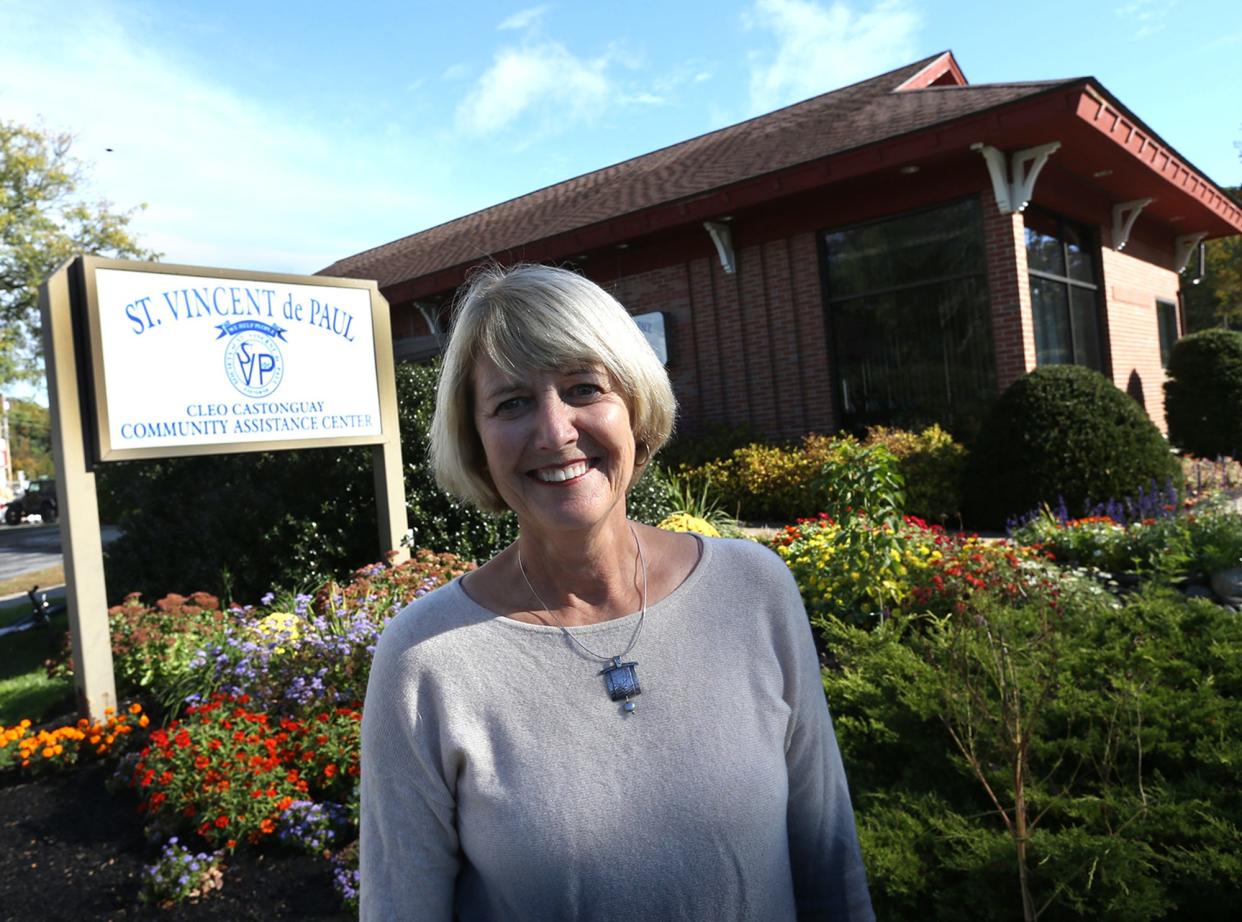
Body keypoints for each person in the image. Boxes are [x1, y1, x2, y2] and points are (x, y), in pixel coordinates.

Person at [360, 264, 874, 921]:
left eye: (582, 388)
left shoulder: (753, 589)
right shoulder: (427, 658)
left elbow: (830, 871)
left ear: (633, 404)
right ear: (476, 438)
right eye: (512, 403)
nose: (554, 431)